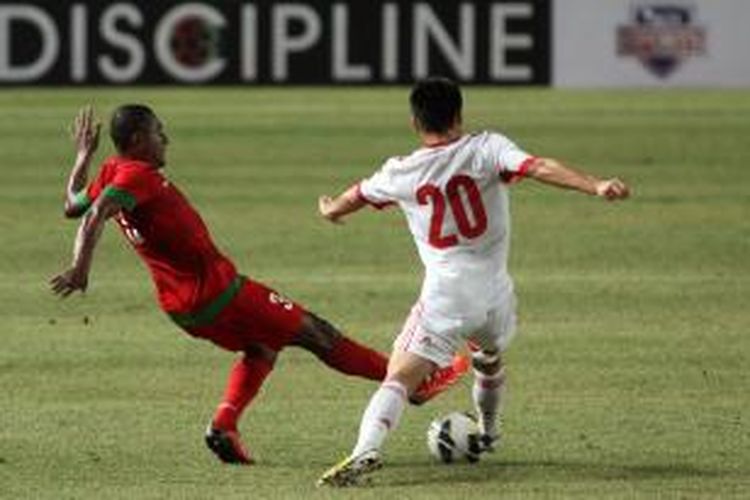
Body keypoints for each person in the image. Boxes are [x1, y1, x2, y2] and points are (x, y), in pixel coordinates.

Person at [49, 104, 468, 465]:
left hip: (182, 305)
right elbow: (92, 214)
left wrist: (83, 156)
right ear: (139, 138)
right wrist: (80, 267)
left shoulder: (111, 170)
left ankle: (225, 425)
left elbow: (73, 204)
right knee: (316, 332)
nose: (167, 139)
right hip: (217, 292)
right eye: (159, 132)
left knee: (262, 346)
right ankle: (416, 383)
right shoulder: (133, 177)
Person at [316, 77, 630, 486]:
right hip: (496, 293)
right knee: (488, 358)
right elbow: (538, 166)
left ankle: (364, 453)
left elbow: (355, 195)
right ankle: (489, 430)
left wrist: (329, 209)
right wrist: (595, 185)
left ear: (415, 122)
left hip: (447, 294)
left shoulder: (401, 171)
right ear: (459, 116)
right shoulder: (488, 149)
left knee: (400, 377)